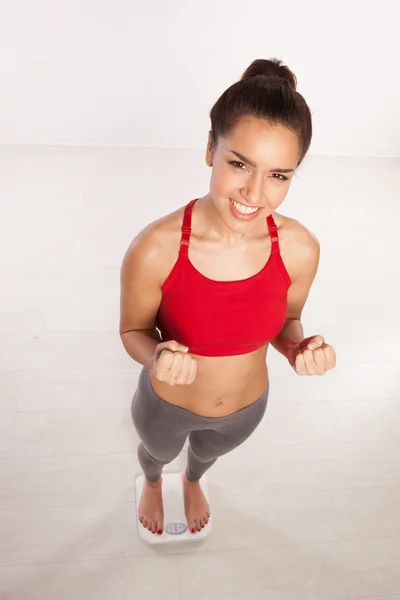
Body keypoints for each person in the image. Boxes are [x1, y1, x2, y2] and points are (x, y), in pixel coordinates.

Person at [119, 58, 336, 537]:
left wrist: (298, 348)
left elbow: (286, 321)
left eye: (279, 175)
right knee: (157, 452)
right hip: (165, 403)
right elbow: (132, 330)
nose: (255, 193)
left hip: (248, 406)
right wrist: (156, 354)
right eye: (239, 164)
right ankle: (153, 480)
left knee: (207, 454)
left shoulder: (300, 247)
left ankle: (194, 479)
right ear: (209, 150)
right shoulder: (155, 246)